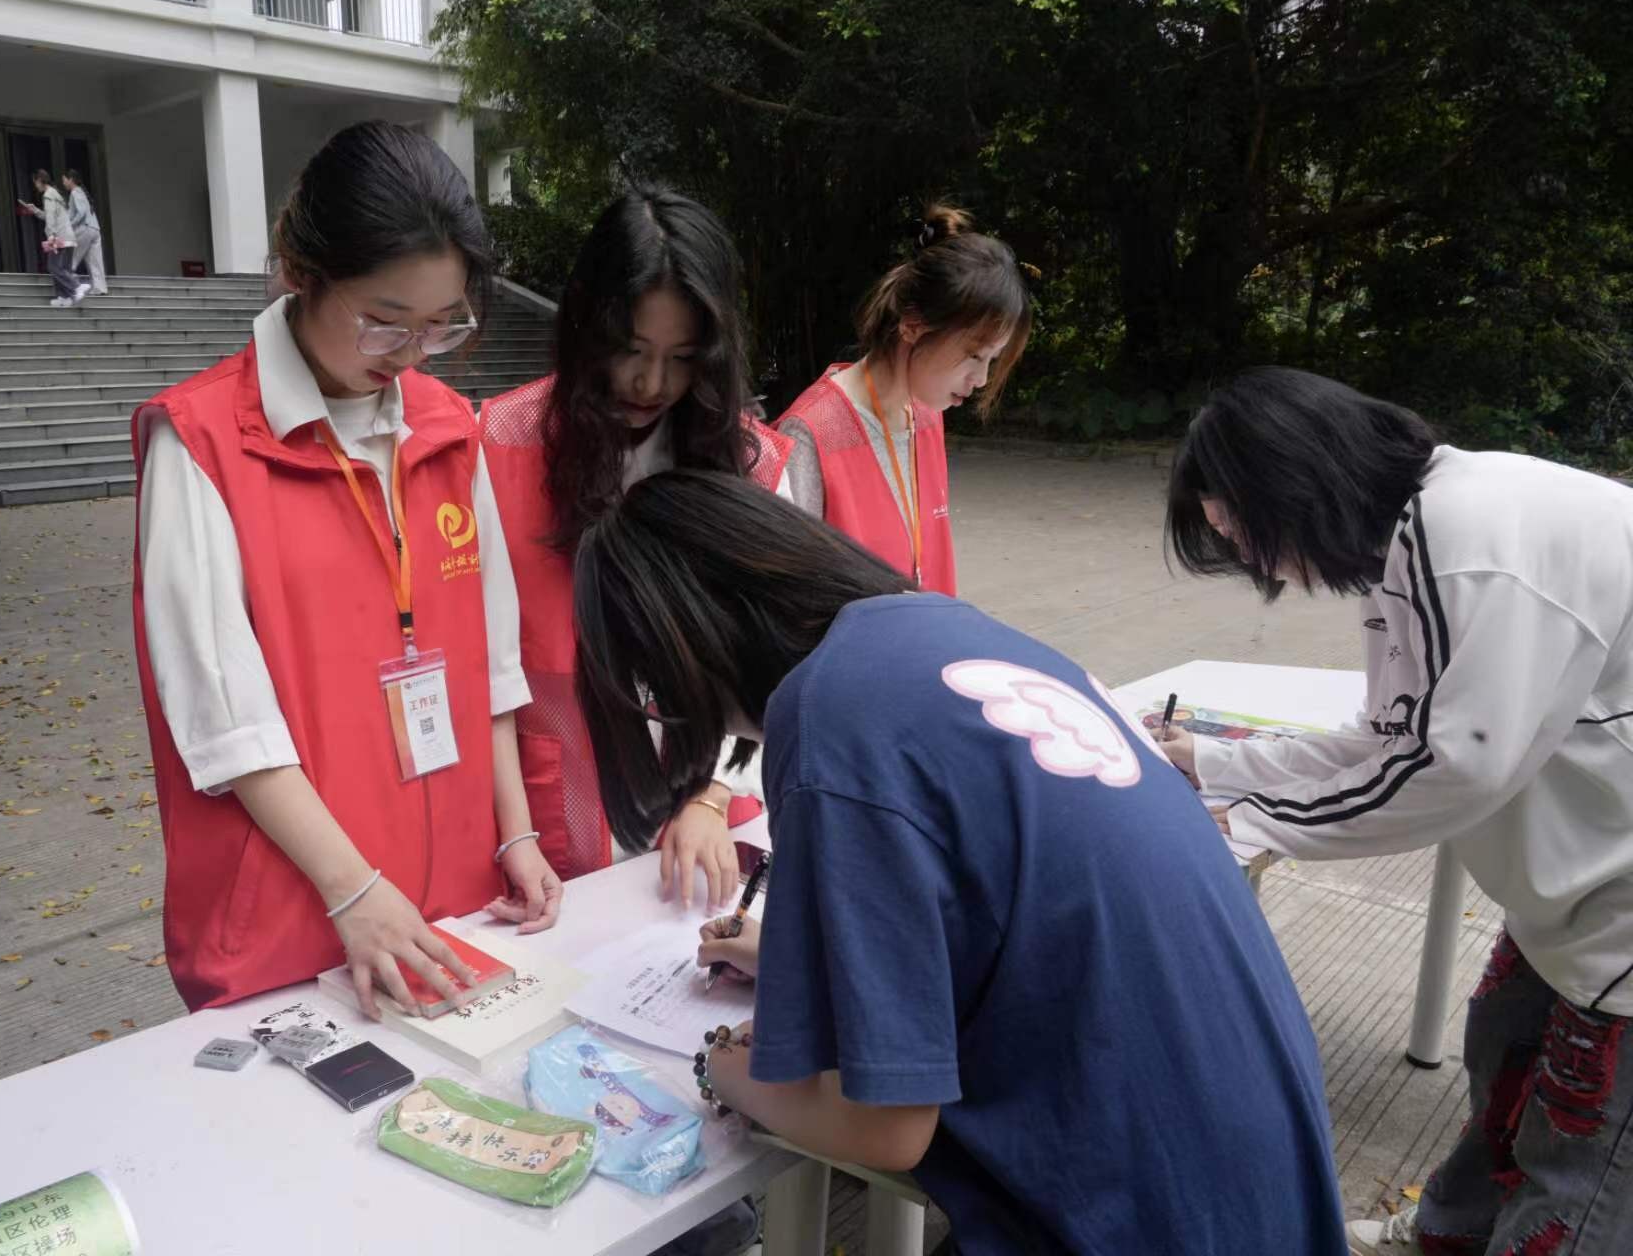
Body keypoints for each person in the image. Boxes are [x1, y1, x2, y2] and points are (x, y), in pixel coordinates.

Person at [574, 470, 1348, 1254]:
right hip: (1255, 1178)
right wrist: (797, 957)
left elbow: (883, 1129)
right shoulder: (943, 630)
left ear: (686, 643)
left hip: (1138, 1217)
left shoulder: (832, 713)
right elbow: (1004, 916)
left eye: (655, 690)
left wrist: (724, 1072)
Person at [1151, 368, 1633, 1255]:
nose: (1255, 564)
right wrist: (1213, 762)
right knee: (1503, 1047)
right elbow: (1389, 737)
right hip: (1577, 862)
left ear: (1290, 488)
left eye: (1239, 532)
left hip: (1618, 891)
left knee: (1583, 1144)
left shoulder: (1467, 538)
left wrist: (1249, 819)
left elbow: (1452, 768)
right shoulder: (1408, 542)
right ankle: (1448, 1234)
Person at [132, 120, 554, 1018]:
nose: (408, 355)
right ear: (299, 270)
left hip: (454, 903)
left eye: (440, 326)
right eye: (384, 322)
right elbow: (225, 722)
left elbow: (492, 663)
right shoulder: (203, 443)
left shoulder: (447, 429)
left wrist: (514, 832)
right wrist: (353, 891)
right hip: (298, 921)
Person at [481, 186, 792, 905]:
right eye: (630, 351)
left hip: (709, 814)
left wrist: (712, 795)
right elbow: (485, 667)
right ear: (586, 326)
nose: (652, 384)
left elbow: (769, 662)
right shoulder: (499, 446)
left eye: (682, 358)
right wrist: (514, 834)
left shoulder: (751, 466)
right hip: (555, 816)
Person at [776, 205, 1031, 596]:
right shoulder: (811, 435)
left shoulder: (925, 415)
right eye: (974, 356)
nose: (981, 380)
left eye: (991, 361)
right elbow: (787, 597)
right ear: (913, 327)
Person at [18, 170, 90, 309]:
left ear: (39, 180)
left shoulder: (48, 195)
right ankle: (64, 297)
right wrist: (35, 210)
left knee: (53, 267)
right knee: (62, 268)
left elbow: (50, 218)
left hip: (59, 237)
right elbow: (51, 215)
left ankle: (76, 286)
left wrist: (51, 235)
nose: (36, 186)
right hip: (68, 236)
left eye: (35, 183)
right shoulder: (55, 194)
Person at [61, 170, 108, 296]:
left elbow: (81, 213)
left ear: (71, 180)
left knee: (71, 259)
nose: (63, 183)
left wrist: (70, 225)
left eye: (64, 180)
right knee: (95, 261)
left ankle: (70, 286)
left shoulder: (75, 192)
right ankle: (100, 288)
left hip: (84, 228)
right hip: (94, 229)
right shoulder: (82, 192)